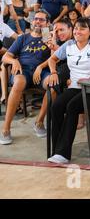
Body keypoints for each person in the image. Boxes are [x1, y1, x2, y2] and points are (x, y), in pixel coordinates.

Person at [46, 18, 90, 164]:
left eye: (82, 28)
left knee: (72, 107)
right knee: (56, 106)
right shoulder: (69, 45)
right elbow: (52, 59)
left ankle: (63, 153)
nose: (77, 31)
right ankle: (56, 149)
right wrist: (53, 72)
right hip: (75, 87)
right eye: (76, 28)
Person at [0, 10, 52, 145]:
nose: (38, 22)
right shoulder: (23, 38)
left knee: (52, 86)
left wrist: (41, 66)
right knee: (18, 82)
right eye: (36, 19)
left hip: (42, 72)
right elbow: (6, 56)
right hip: (23, 71)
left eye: (42, 20)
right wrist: (14, 61)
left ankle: (39, 122)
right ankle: (6, 128)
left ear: (47, 23)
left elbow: (55, 57)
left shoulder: (48, 38)